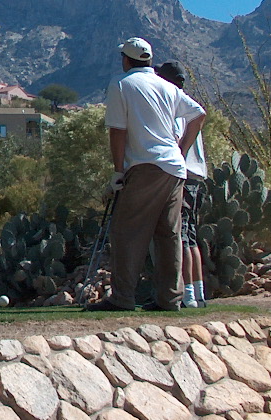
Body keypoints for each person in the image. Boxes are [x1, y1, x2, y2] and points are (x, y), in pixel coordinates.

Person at [87, 37, 205, 313]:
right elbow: (198, 114)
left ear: (126, 60)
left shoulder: (122, 84)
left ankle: (122, 297)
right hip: (174, 168)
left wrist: (118, 171)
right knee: (168, 234)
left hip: (145, 165)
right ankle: (169, 298)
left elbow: (118, 131)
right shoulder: (166, 86)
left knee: (126, 232)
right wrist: (180, 151)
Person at [156, 60, 209, 308]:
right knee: (191, 236)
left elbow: (176, 137)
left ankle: (186, 294)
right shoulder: (190, 106)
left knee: (181, 236)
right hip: (196, 177)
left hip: (184, 177)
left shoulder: (176, 106)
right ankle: (198, 292)